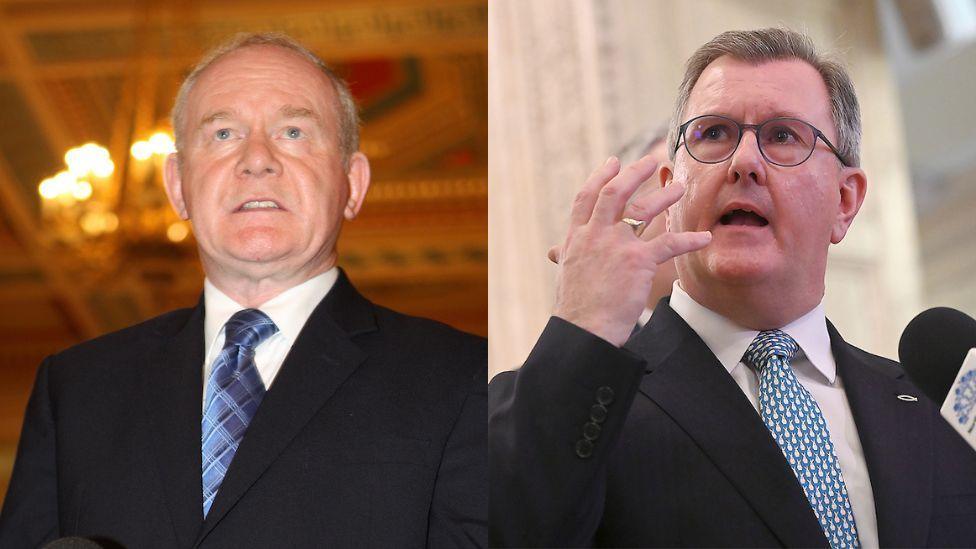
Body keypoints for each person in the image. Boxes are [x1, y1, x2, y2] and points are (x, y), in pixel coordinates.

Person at [490, 28, 976, 548]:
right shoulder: (582, 402)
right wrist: (582, 328)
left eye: (783, 136)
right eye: (715, 134)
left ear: (844, 200)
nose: (744, 161)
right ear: (670, 191)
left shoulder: (934, 405)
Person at [0, 33, 486, 548]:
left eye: (294, 131)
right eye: (224, 133)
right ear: (177, 186)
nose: (257, 159)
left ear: (352, 184)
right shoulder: (75, 387)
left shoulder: (462, 377)